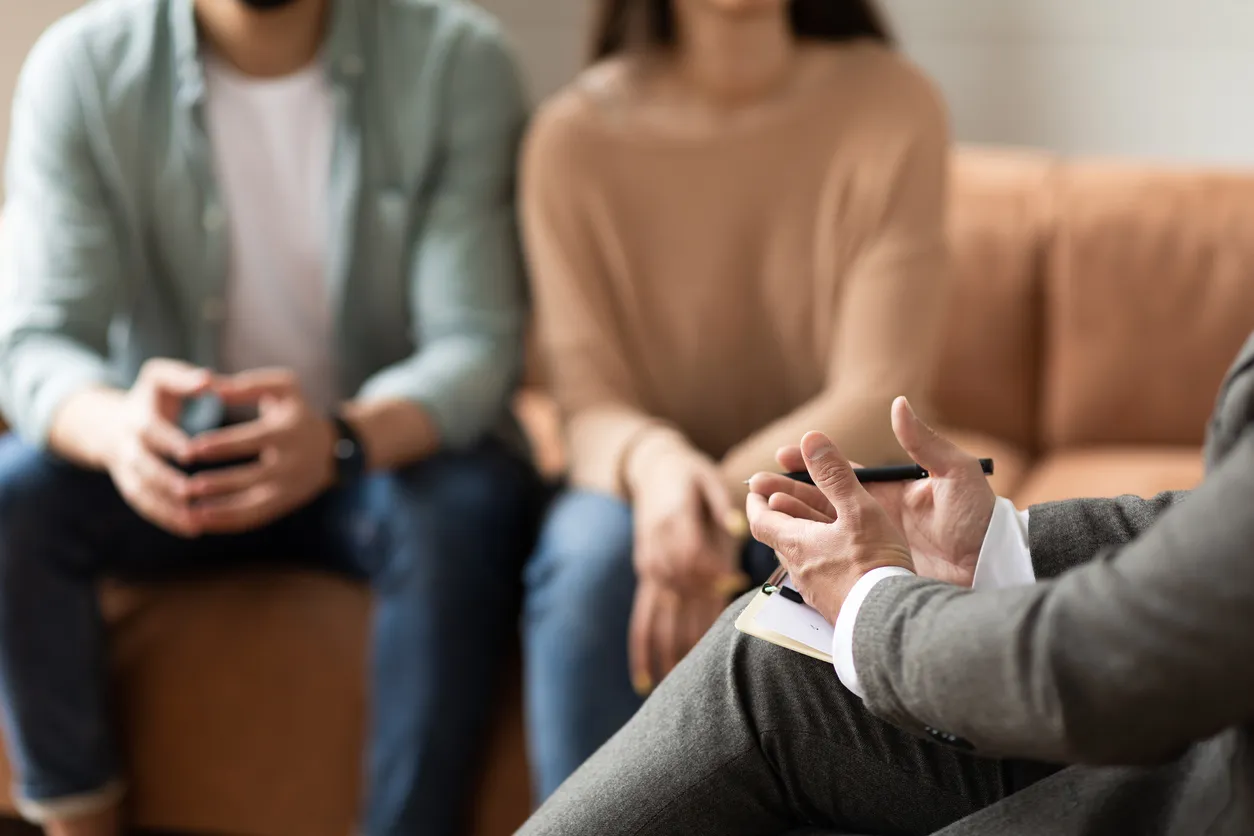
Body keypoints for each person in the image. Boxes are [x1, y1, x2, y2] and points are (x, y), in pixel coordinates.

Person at [0, 0, 537, 834]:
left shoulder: (456, 60)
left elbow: (475, 343)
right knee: (15, 493)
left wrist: (340, 440)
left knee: (459, 509)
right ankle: (80, 824)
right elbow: (33, 343)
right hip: (173, 459)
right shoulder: (83, 68)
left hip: (377, 459)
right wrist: (118, 429)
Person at [517, 331, 1254, 836]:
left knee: (794, 665)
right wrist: (1000, 548)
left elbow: (1096, 667)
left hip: (1196, 780)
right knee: (776, 660)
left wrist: (873, 600)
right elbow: (1219, 538)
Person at [520, 0, 951, 800]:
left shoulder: (894, 102)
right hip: (637, 491)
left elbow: (875, 390)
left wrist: (715, 503)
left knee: (878, 578)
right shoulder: (570, 138)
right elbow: (586, 402)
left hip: (832, 479)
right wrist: (657, 473)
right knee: (585, 571)